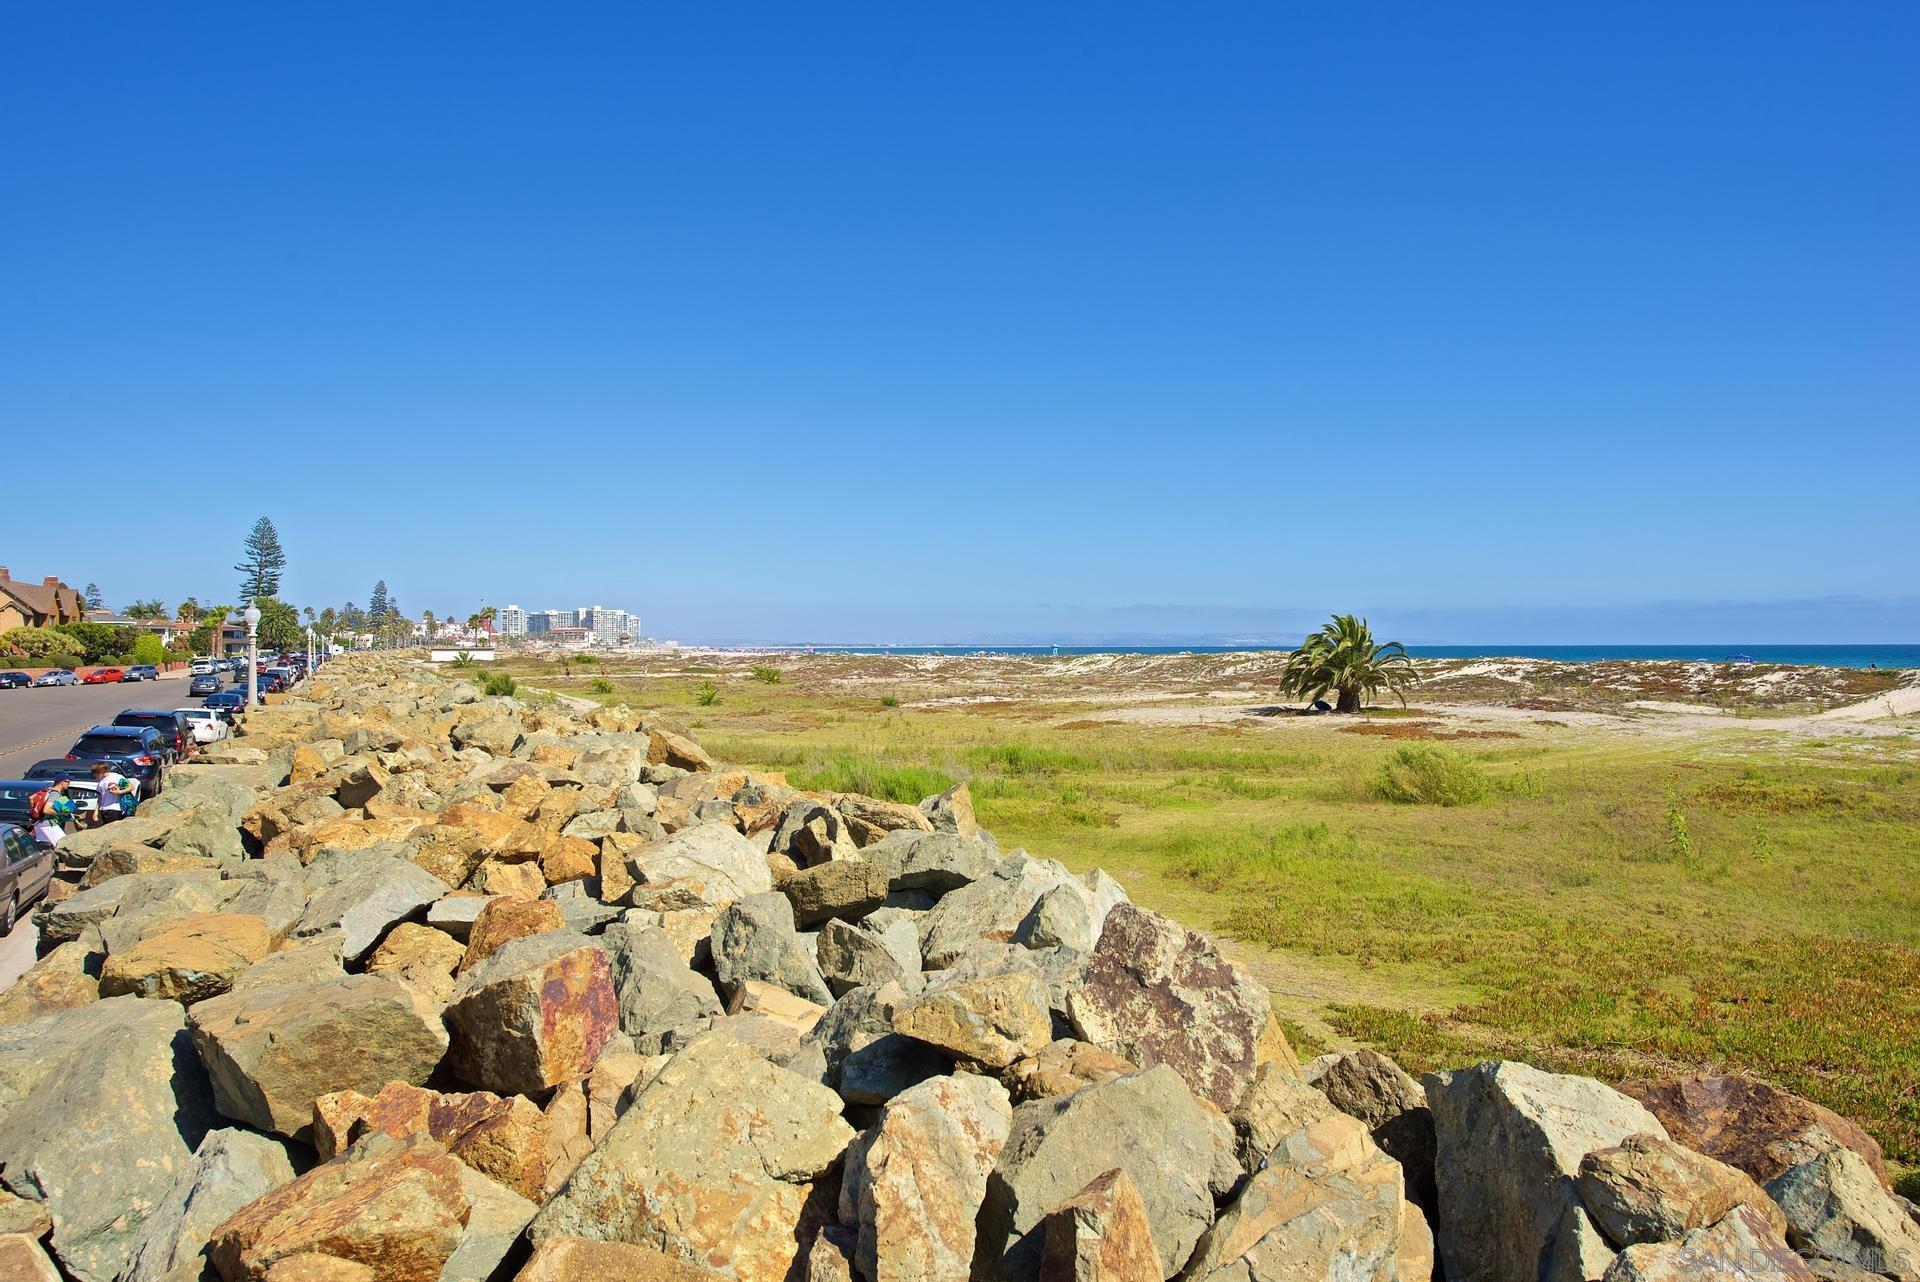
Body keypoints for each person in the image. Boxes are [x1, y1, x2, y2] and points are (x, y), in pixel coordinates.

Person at [29, 779, 77, 848]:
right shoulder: (55, 794)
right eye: (68, 782)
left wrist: (36, 810)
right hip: (49, 825)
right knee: (65, 846)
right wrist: (61, 814)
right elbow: (46, 810)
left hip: (40, 824)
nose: (69, 784)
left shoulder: (49, 790)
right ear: (62, 782)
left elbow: (31, 798)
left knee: (43, 850)